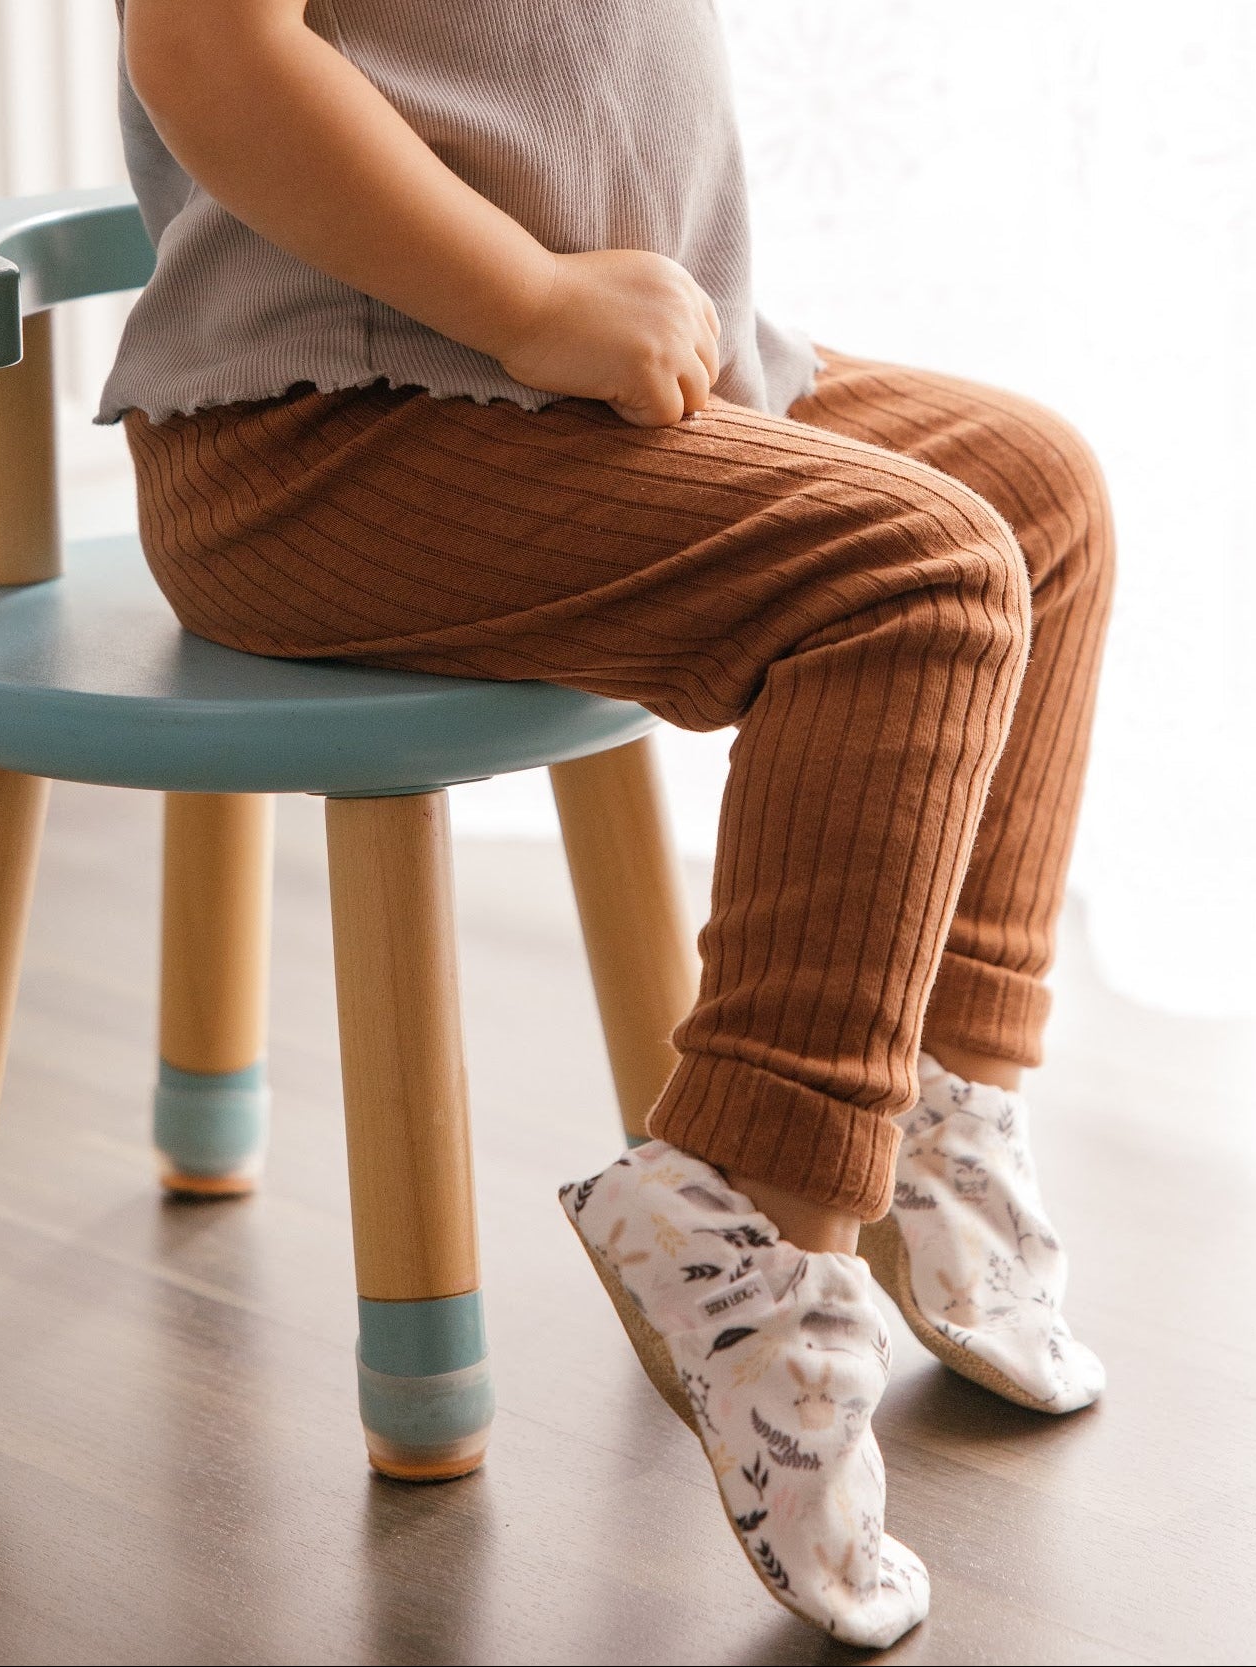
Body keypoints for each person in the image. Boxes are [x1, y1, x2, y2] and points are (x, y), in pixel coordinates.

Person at [109, 0, 1114, 1646]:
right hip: (332, 431)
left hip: (601, 378)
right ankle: (748, 1218)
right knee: (919, 576)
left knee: (1036, 494)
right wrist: (532, 300)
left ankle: (942, 1080)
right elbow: (205, 43)